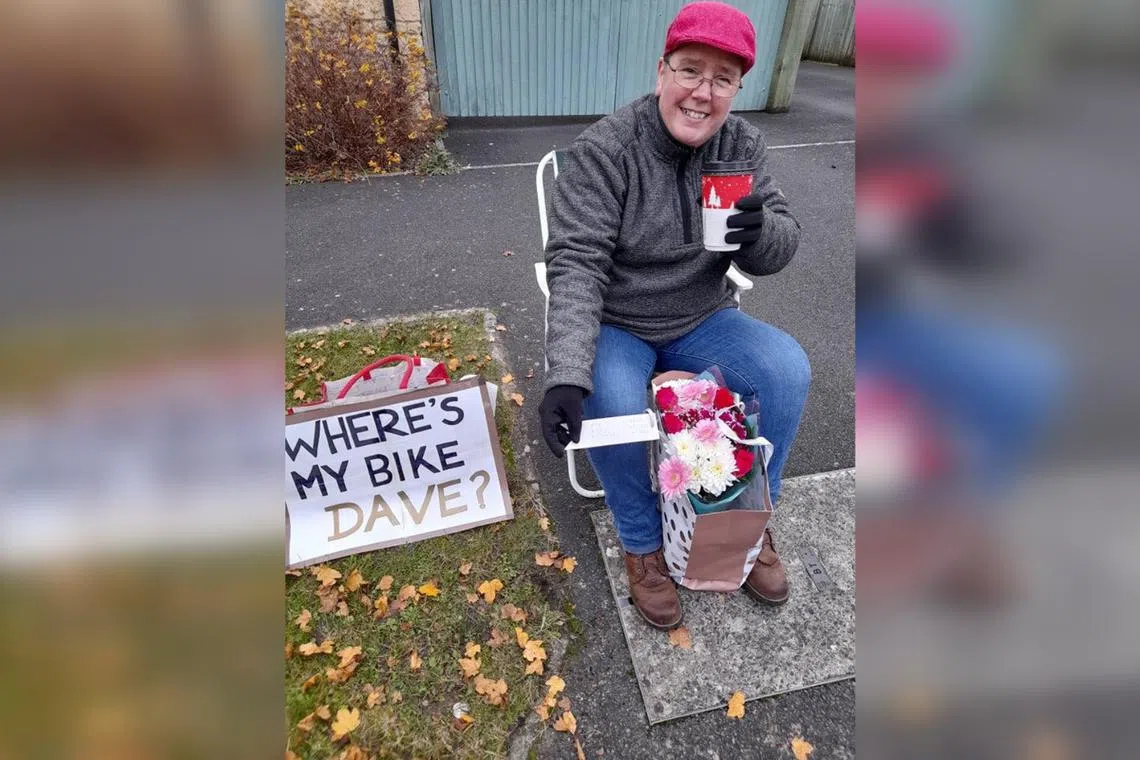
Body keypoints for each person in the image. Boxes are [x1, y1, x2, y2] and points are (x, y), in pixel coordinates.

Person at [537, 1, 811, 630]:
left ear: (737, 88)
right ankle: (642, 546)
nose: (702, 93)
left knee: (785, 370)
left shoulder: (741, 144)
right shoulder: (607, 149)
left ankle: (747, 523)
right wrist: (565, 373)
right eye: (690, 71)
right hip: (620, 320)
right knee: (608, 395)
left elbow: (783, 241)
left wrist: (757, 233)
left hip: (702, 316)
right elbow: (576, 263)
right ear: (661, 70)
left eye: (722, 79)